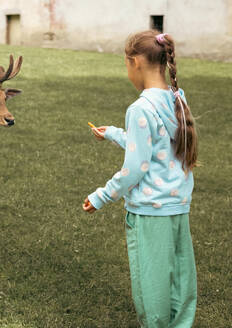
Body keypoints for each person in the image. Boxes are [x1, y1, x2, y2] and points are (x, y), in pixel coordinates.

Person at [82, 30, 198, 327]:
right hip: (177, 207)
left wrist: (101, 195)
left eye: (126, 65)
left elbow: (135, 168)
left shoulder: (140, 109)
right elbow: (156, 146)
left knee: (153, 286)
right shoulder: (176, 99)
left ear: (135, 63)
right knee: (180, 281)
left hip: (149, 213)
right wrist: (112, 133)